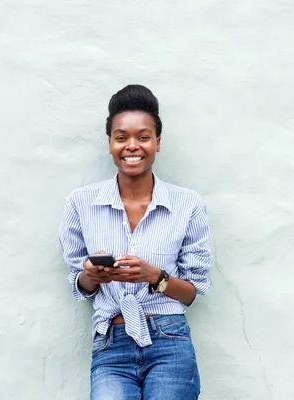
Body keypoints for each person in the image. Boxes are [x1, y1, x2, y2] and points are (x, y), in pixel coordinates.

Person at [58, 84, 212, 400]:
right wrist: (92, 275)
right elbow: (80, 283)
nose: (132, 146)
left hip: (169, 339)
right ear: (110, 143)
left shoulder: (187, 204)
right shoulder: (81, 203)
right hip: (110, 343)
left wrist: (154, 276)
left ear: (157, 143)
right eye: (121, 137)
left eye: (143, 137)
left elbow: (192, 292)